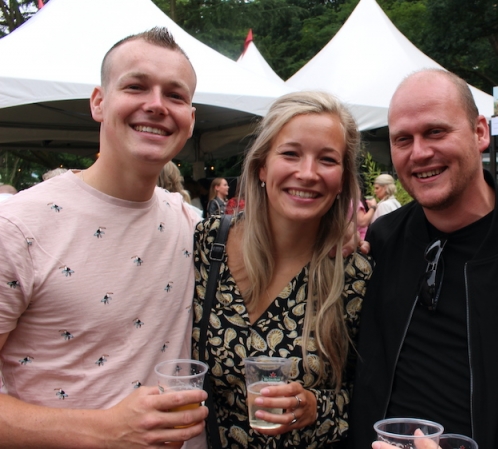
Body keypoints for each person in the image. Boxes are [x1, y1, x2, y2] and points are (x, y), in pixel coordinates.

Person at [349, 69, 498, 449]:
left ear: (480, 132)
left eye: (435, 132)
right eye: (403, 139)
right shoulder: (383, 241)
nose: (419, 152)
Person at [0, 27, 207, 447]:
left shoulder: (192, 225)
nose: (156, 105)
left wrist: (339, 236)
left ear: (190, 119)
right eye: (136, 86)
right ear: (98, 101)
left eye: (174, 95)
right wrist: (106, 431)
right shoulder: (16, 227)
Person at [193, 91, 372, 448]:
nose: (307, 173)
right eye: (290, 154)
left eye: (327, 159)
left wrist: (316, 407)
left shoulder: (354, 275)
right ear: (262, 166)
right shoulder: (208, 242)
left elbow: (372, 396)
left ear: (342, 179)